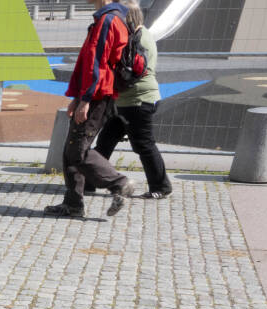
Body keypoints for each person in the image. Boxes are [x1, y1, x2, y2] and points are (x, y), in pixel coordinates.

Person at [44, 0, 134, 219]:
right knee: (70, 149)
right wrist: (77, 97)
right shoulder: (107, 18)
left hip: (97, 96)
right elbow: (89, 63)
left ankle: (119, 183)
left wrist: (85, 99)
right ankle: (73, 204)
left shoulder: (108, 20)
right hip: (94, 94)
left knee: (77, 150)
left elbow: (98, 64)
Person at [93, 0, 173, 199]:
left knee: (143, 144)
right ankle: (89, 181)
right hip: (126, 101)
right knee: (105, 141)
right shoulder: (141, 34)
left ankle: (161, 187)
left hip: (138, 100)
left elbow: (133, 71)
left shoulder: (137, 39)